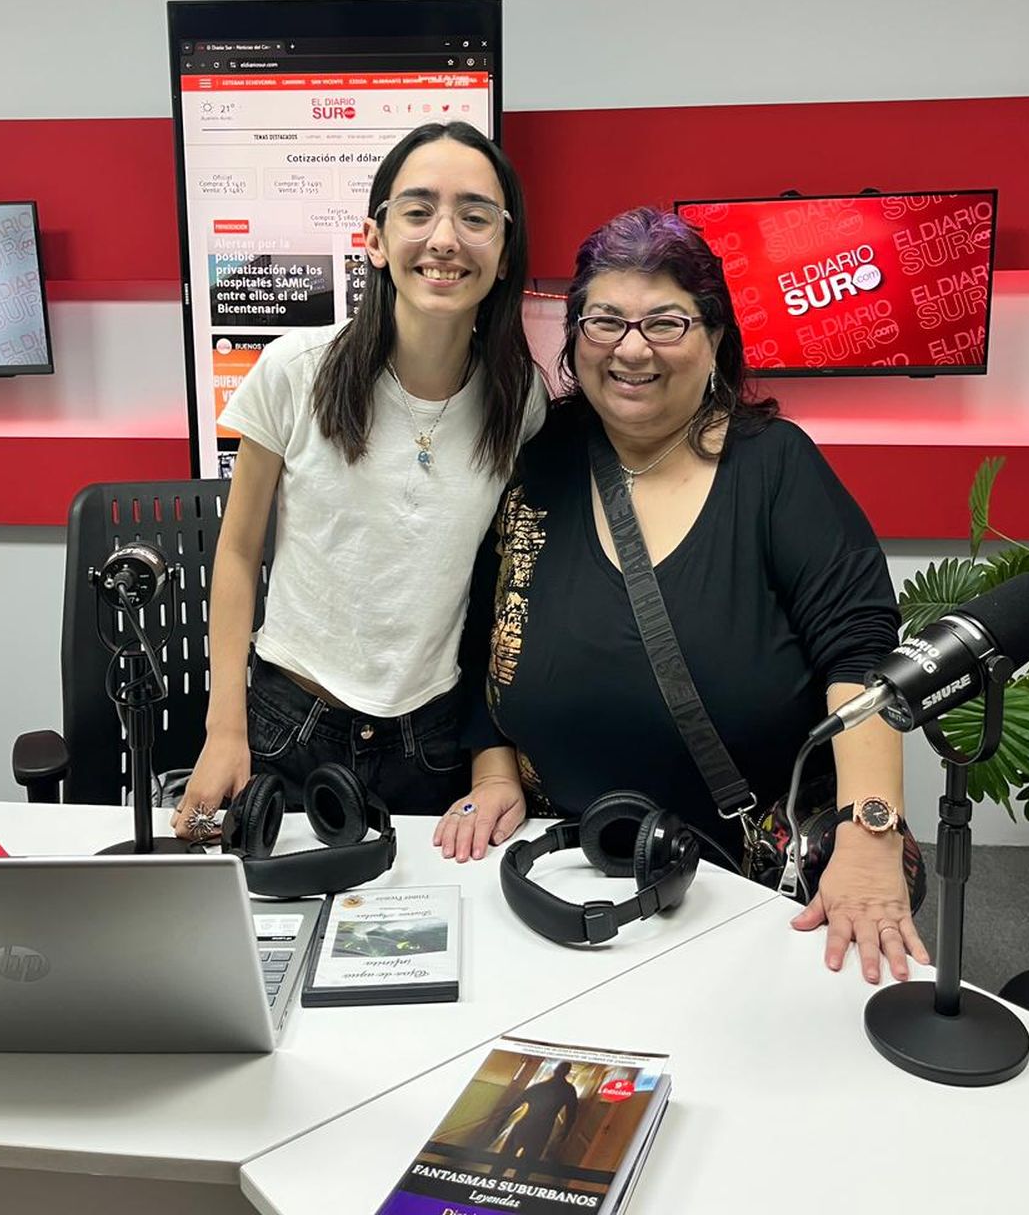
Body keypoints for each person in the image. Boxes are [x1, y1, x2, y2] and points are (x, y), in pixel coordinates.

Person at [436, 206, 930, 986]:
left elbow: (862, 653)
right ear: (574, 339)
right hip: (561, 873)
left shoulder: (774, 467)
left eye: (666, 322)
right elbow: (478, 637)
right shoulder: (539, 465)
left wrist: (869, 833)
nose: (632, 349)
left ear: (715, 338)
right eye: (606, 321)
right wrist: (494, 772)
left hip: (749, 885)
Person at [171, 121, 546, 836]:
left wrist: (493, 758)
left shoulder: (516, 398)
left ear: (503, 254)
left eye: (475, 216)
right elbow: (238, 552)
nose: (445, 238)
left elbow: (504, 586)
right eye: (418, 211)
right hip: (288, 728)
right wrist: (225, 729)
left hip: (432, 740)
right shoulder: (295, 370)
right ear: (374, 240)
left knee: (422, 939)